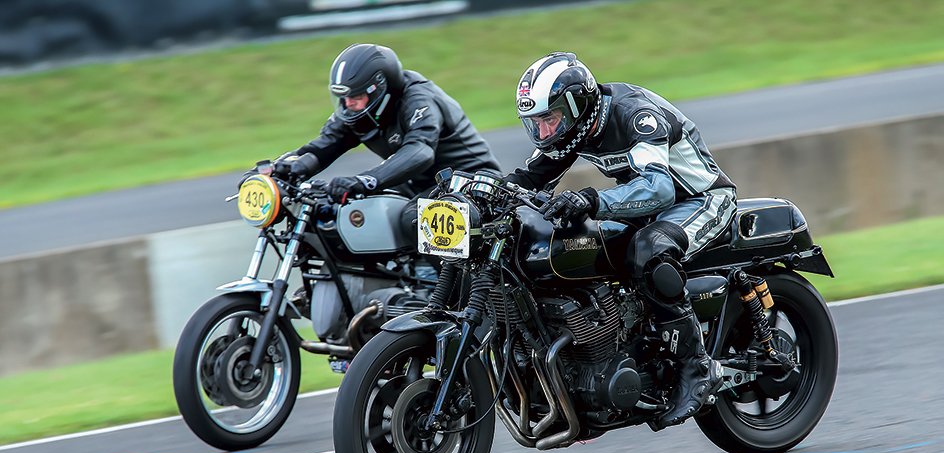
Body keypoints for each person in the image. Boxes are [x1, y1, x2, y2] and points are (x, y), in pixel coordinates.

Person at [504, 52, 737, 429]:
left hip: (698, 200)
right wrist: (477, 193)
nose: (544, 131)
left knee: (649, 250)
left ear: (577, 105)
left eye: (549, 118)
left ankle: (697, 368)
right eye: (536, 122)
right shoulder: (574, 128)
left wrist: (592, 199)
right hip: (642, 207)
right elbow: (526, 179)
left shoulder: (634, 115)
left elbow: (660, 189)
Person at [257, 43, 501, 236]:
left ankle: (451, 295)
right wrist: (277, 171)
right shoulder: (358, 112)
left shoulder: (419, 99)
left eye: (356, 96)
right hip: (417, 186)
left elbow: (420, 151)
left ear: (379, 88)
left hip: (472, 184)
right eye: (343, 98)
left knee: (417, 218)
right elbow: (320, 148)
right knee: (339, 215)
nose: (348, 104)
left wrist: (365, 181)